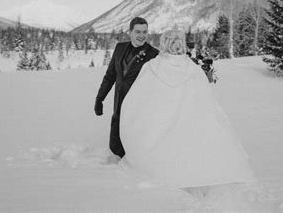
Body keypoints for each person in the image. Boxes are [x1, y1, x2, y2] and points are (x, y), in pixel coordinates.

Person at [119, 29, 256, 207]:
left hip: (160, 131)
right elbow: (207, 101)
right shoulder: (193, 70)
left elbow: (136, 100)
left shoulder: (152, 67)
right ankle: (203, 177)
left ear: (163, 43)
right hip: (193, 132)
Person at [94, 17, 159, 158]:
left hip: (138, 108)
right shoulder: (120, 48)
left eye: (145, 32)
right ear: (130, 32)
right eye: (138, 31)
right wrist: (100, 98)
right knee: (115, 146)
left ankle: (132, 172)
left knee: (133, 146)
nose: (142, 35)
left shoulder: (154, 54)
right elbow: (110, 76)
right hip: (119, 104)